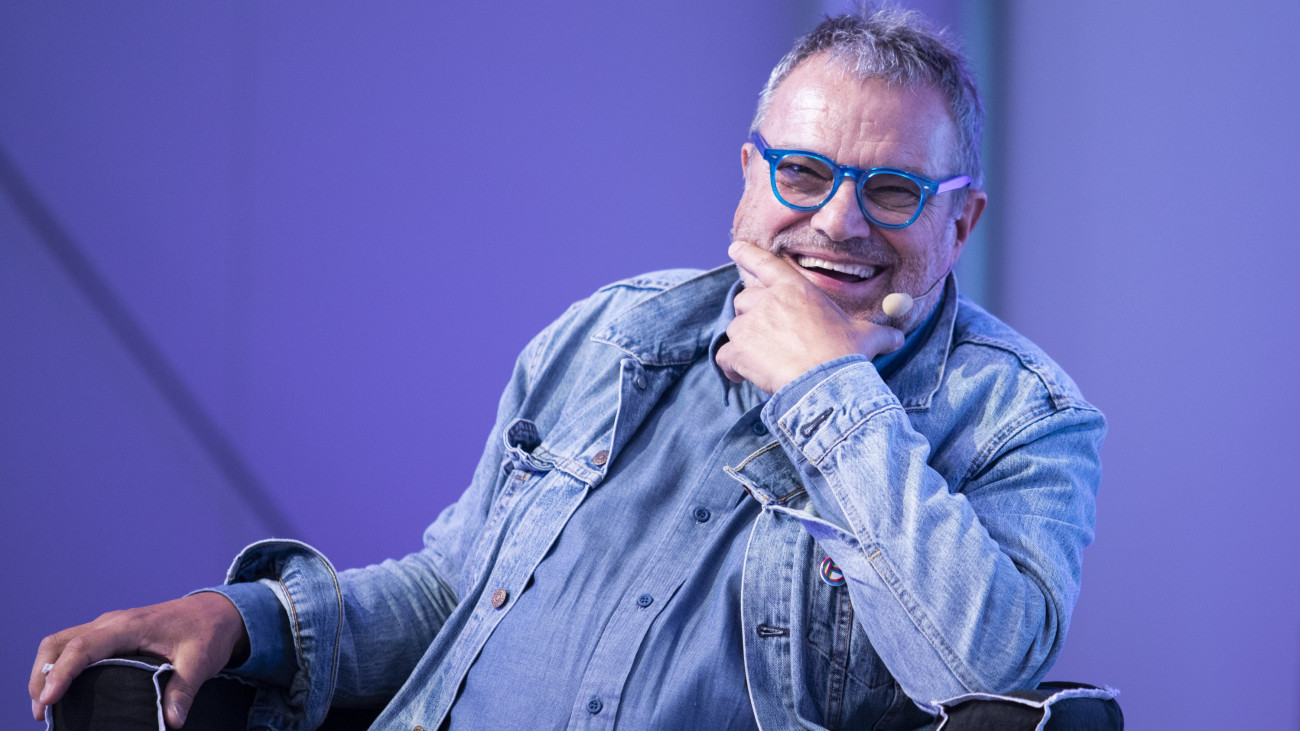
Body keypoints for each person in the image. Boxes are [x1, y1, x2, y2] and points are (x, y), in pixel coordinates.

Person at [30, 8, 1106, 730]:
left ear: (959, 217)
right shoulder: (612, 333)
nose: (836, 220)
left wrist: (829, 391)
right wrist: (244, 617)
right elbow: (458, 586)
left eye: (890, 192)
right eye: (806, 171)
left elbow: (982, 672)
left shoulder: (1021, 418)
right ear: (748, 174)